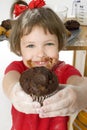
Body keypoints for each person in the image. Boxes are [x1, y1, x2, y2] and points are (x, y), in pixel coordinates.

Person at [2, 0, 87, 130]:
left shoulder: (64, 70)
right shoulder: (17, 69)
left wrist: (79, 95)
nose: (40, 53)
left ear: (59, 44)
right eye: (31, 45)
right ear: (19, 48)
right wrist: (14, 91)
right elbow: (8, 81)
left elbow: (82, 84)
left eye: (49, 44)